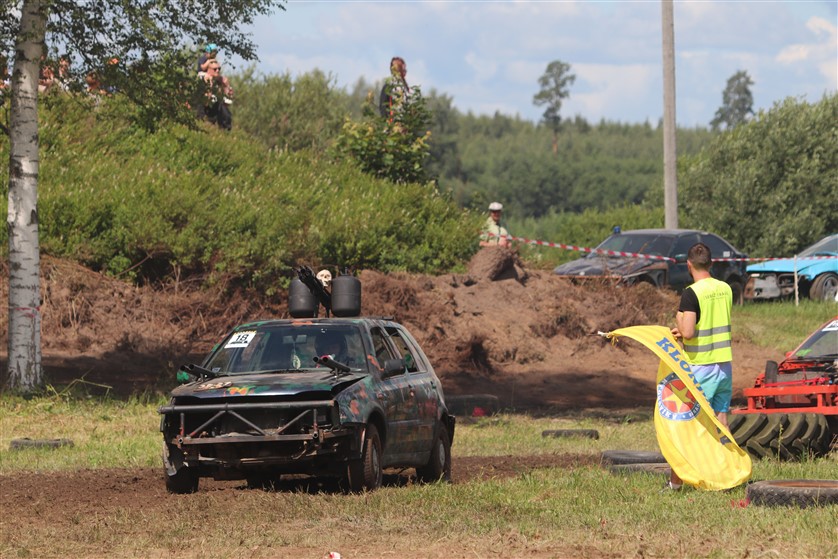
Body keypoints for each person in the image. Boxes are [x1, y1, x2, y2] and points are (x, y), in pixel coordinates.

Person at [667, 242, 733, 491]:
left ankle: (675, 483)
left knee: (686, 423)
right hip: (724, 365)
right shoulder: (725, 288)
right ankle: (727, 476)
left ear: (689, 264)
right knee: (721, 421)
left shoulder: (691, 293)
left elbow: (689, 331)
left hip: (701, 367)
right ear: (711, 263)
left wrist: (679, 319)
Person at [379, 56, 409, 121]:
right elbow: (383, 107)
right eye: (403, 70)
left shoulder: (405, 88)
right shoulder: (388, 87)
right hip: (392, 125)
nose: (405, 72)